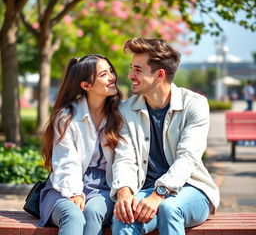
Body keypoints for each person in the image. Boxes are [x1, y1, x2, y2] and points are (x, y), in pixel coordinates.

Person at [111, 38, 220, 235]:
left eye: (138, 69)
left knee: (169, 209)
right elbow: (124, 157)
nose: (130, 75)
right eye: (131, 68)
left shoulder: (194, 104)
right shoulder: (125, 110)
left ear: (159, 74)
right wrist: (124, 192)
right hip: (144, 190)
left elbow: (187, 158)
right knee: (123, 219)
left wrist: (159, 194)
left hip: (191, 189)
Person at [39, 54, 124, 235]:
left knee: (92, 212)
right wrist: (74, 193)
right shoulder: (67, 117)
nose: (112, 77)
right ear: (86, 85)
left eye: (111, 71)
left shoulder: (120, 116)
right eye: (103, 74)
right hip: (63, 187)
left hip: (105, 188)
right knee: (74, 215)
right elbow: (65, 162)